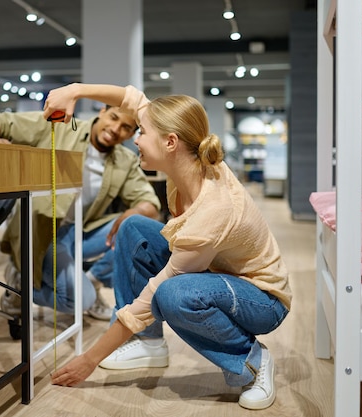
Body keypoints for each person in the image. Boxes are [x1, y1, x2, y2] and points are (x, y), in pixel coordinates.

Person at [43, 83, 292, 410]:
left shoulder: (212, 212)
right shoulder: (185, 156)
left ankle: (252, 360)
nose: (134, 138)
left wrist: (88, 360)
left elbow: (148, 300)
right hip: (216, 273)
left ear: (170, 142)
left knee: (173, 294)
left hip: (261, 299)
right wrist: (74, 91)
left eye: (141, 132)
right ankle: (150, 345)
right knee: (134, 227)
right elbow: (131, 99)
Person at [0, 104, 161, 321]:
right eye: (113, 118)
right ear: (102, 111)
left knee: (142, 231)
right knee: (79, 302)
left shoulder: (124, 160)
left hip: (81, 232)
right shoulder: (60, 127)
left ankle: (93, 278)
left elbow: (150, 204)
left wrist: (136, 211)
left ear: (131, 134)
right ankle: (18, 284)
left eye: (125, 127)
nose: (115, 128)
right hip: (46, 234)